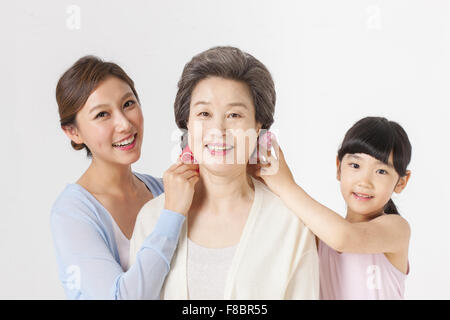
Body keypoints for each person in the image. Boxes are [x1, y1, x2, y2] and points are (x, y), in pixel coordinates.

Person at [130, 46, 319, 300]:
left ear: (258, 125)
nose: (218, 130)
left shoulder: (290, 224)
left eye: (234, 115)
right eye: (204, 113)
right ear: (187, 122)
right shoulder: (153, 218)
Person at [51, 56, 199, 299]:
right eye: (102, 115)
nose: (124, 124)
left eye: (128, 104)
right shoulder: (71, 213)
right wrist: (172, 214)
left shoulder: (164, 191)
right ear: (73, 132)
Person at [253, 116, 412, 299]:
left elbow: (343, 237)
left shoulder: (397, 229)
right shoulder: (320, 236)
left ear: (401, 182)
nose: (364, 182)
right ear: (339, 167)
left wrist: (286, 185)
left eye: (381, 171)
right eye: (355, 165)